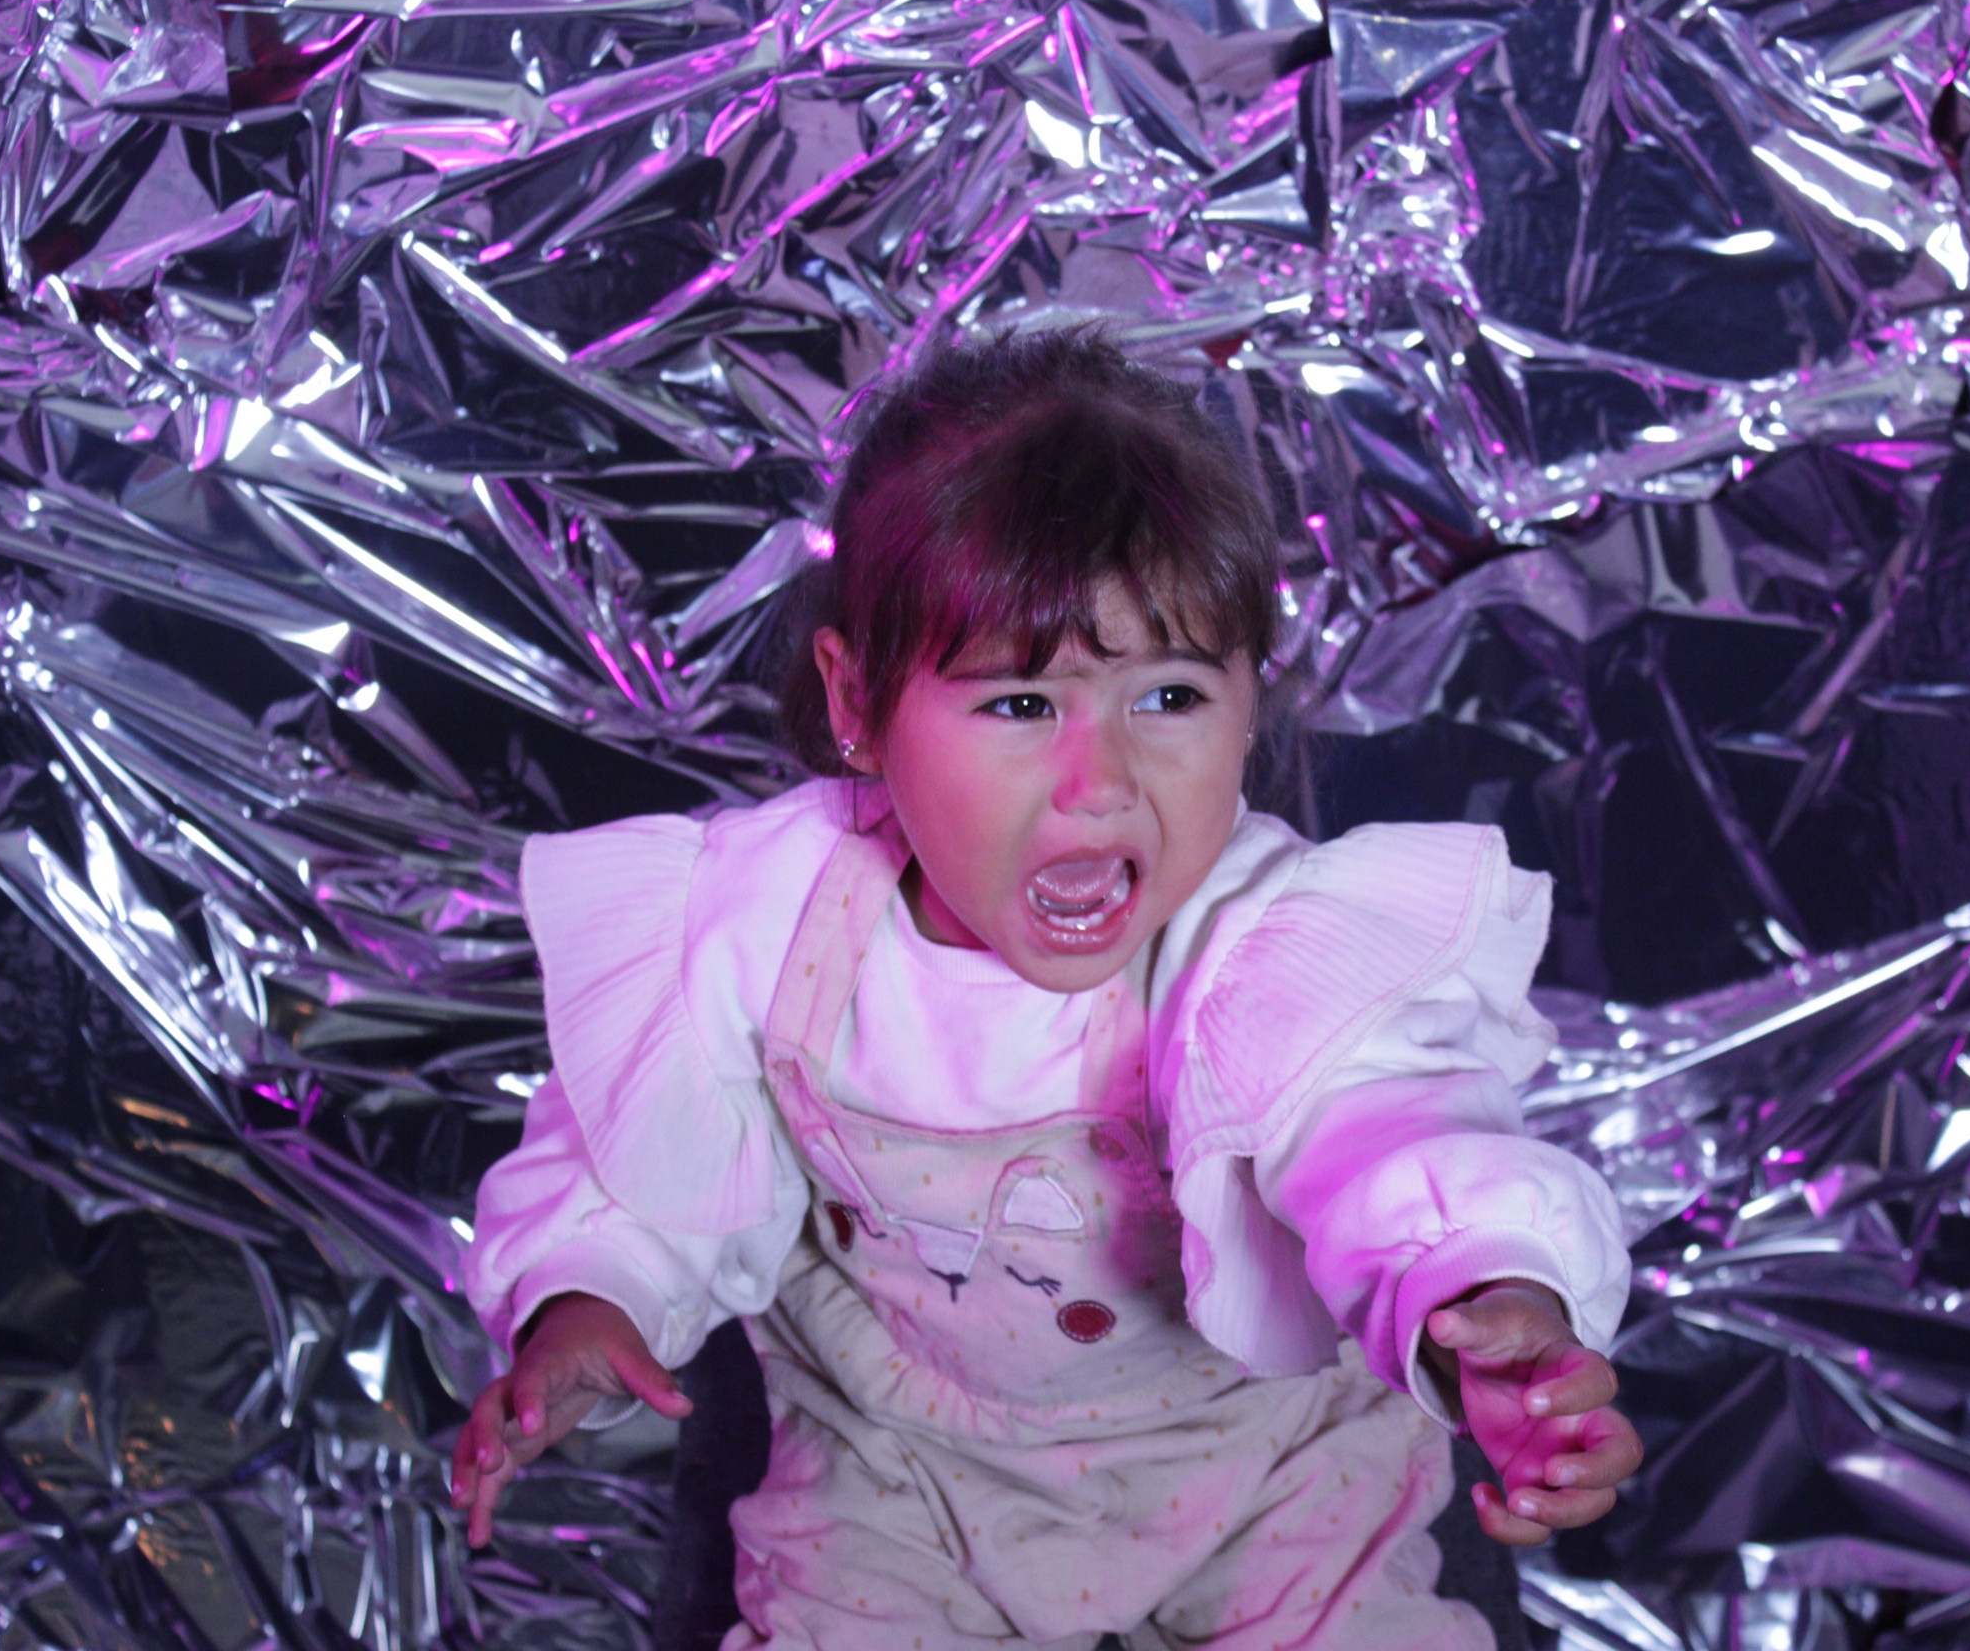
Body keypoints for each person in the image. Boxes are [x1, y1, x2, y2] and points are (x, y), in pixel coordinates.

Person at [451, 328, 1641, 1650]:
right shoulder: (765, 917)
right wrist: (590, 1295)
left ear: (1252, 698)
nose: (1102, 782)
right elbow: (640, 1145)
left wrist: (1482, 1292)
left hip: (1258, 1448)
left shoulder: (1260, 937)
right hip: (902, 1453)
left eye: (1169, 696)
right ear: (858, 700)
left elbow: (1384, 1130)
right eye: (1022, 705)